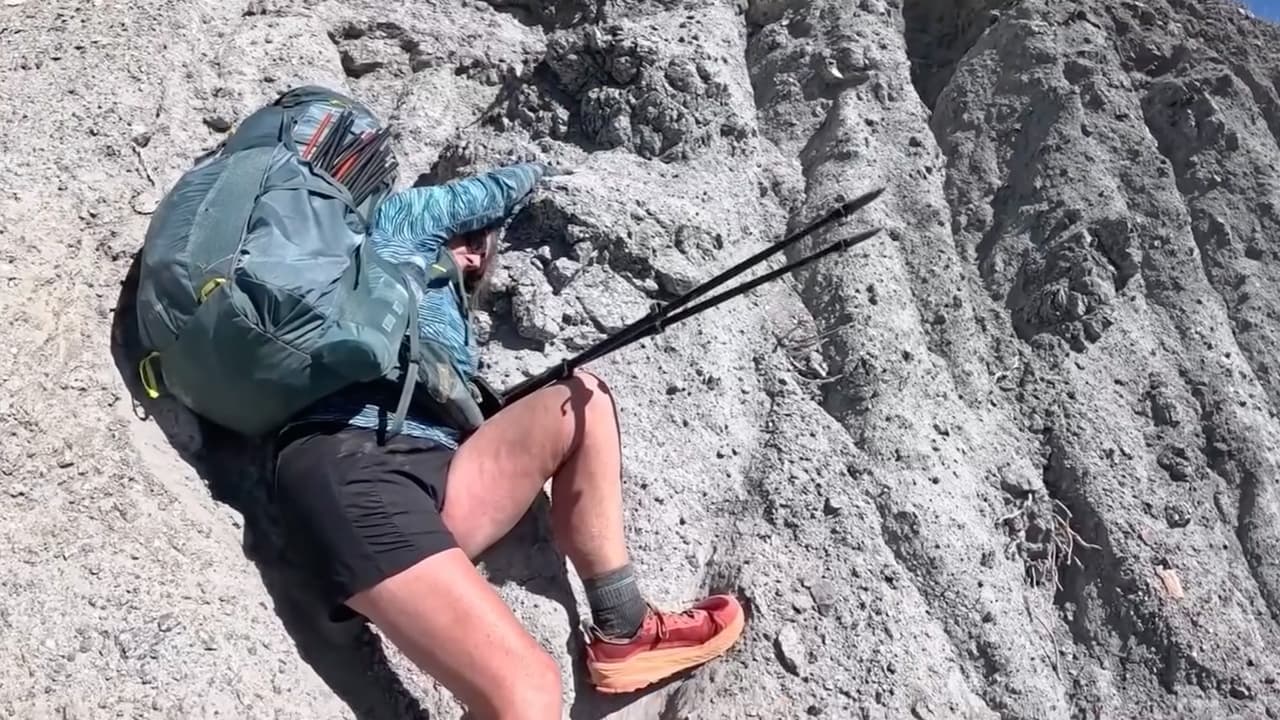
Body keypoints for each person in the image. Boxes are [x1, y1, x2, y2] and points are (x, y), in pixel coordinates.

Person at [271, 161, 746, 718]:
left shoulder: (445, 309)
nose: (476, 257)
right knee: (527, 693)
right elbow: (488, 192)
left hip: (425, 473)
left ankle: (624, 628)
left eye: (480, 253)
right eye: (473, 243)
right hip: (355, 465)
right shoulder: (395, 231)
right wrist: (543, 168)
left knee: (581, 399)